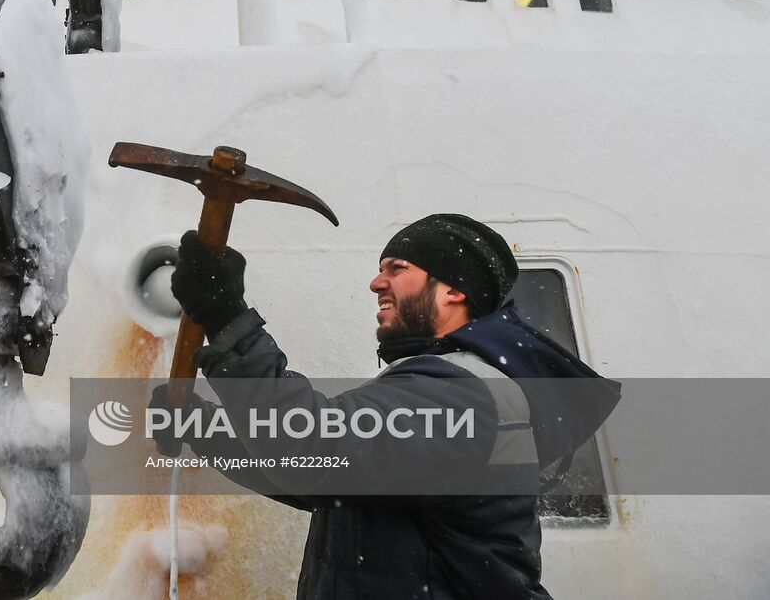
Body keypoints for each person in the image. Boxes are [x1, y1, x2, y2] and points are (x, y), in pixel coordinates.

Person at [153, 213, 620, 600]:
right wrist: (204, 425)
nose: (377, 282)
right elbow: (320, 479)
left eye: (397, 268)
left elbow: (314, 450)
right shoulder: (447, 383)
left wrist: (226, 317)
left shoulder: (459, 393)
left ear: (453, 290)